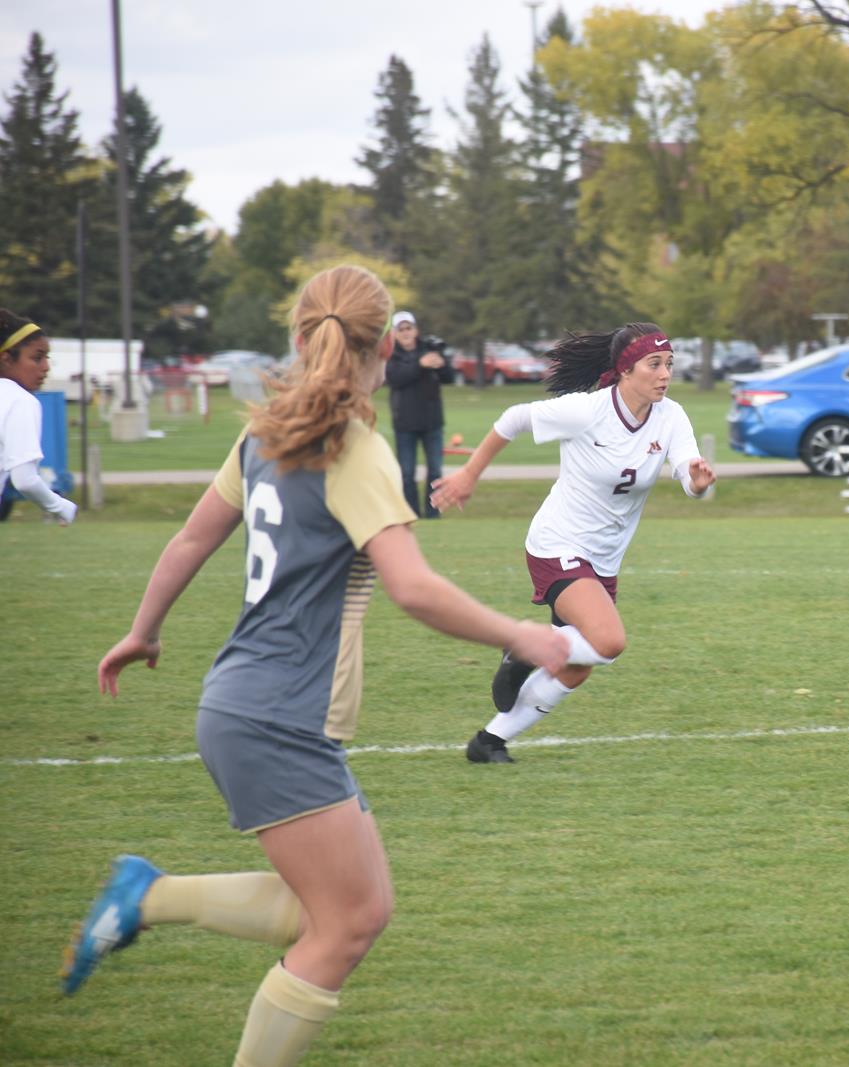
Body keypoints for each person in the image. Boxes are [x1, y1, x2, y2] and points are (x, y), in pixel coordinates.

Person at [65, 266, 568, 1067]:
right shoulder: (356, 451)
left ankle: (146, 895)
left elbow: (192, 537)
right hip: (277, 716)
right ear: (380, 354)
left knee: (350, 908)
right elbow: (413, 587)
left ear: (299, 338)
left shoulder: (264, 434)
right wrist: (522, 634)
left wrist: (143, 629)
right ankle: (147, 899)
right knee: (345, 926)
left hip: (247, 703)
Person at [430, 322, 717, 764]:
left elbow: (686, 473)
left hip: (603, 560)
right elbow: (514, 419)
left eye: (669, 364)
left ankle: (489, 742)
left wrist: (696, 481)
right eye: (654, 364)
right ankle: (524, 643)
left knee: (578, 666)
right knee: (609, 641)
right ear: (625, 370)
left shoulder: (671, 416)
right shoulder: (587, 411)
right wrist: (468, 475)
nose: (665, 374)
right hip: (557, 543)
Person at [0, 309, 77, 525]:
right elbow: (25, 480)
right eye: (37, 358)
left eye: (47, 357)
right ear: (6, 359)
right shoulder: (18, 400)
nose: (46, 367)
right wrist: (60, 506)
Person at [384, 310, 452, 518]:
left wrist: (441, 365)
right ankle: (410, 513)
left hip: (432, 421)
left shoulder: (429, 349)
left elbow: (448, 377)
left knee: (434, 472)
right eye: (400, 329)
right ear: (394, 333)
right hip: (405, 422)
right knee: (406, 473)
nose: (405, 333)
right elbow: (395, 378)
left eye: (409, 328)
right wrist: (420, 365)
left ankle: (433, 513)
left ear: (416, 330)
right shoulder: (391, 355)